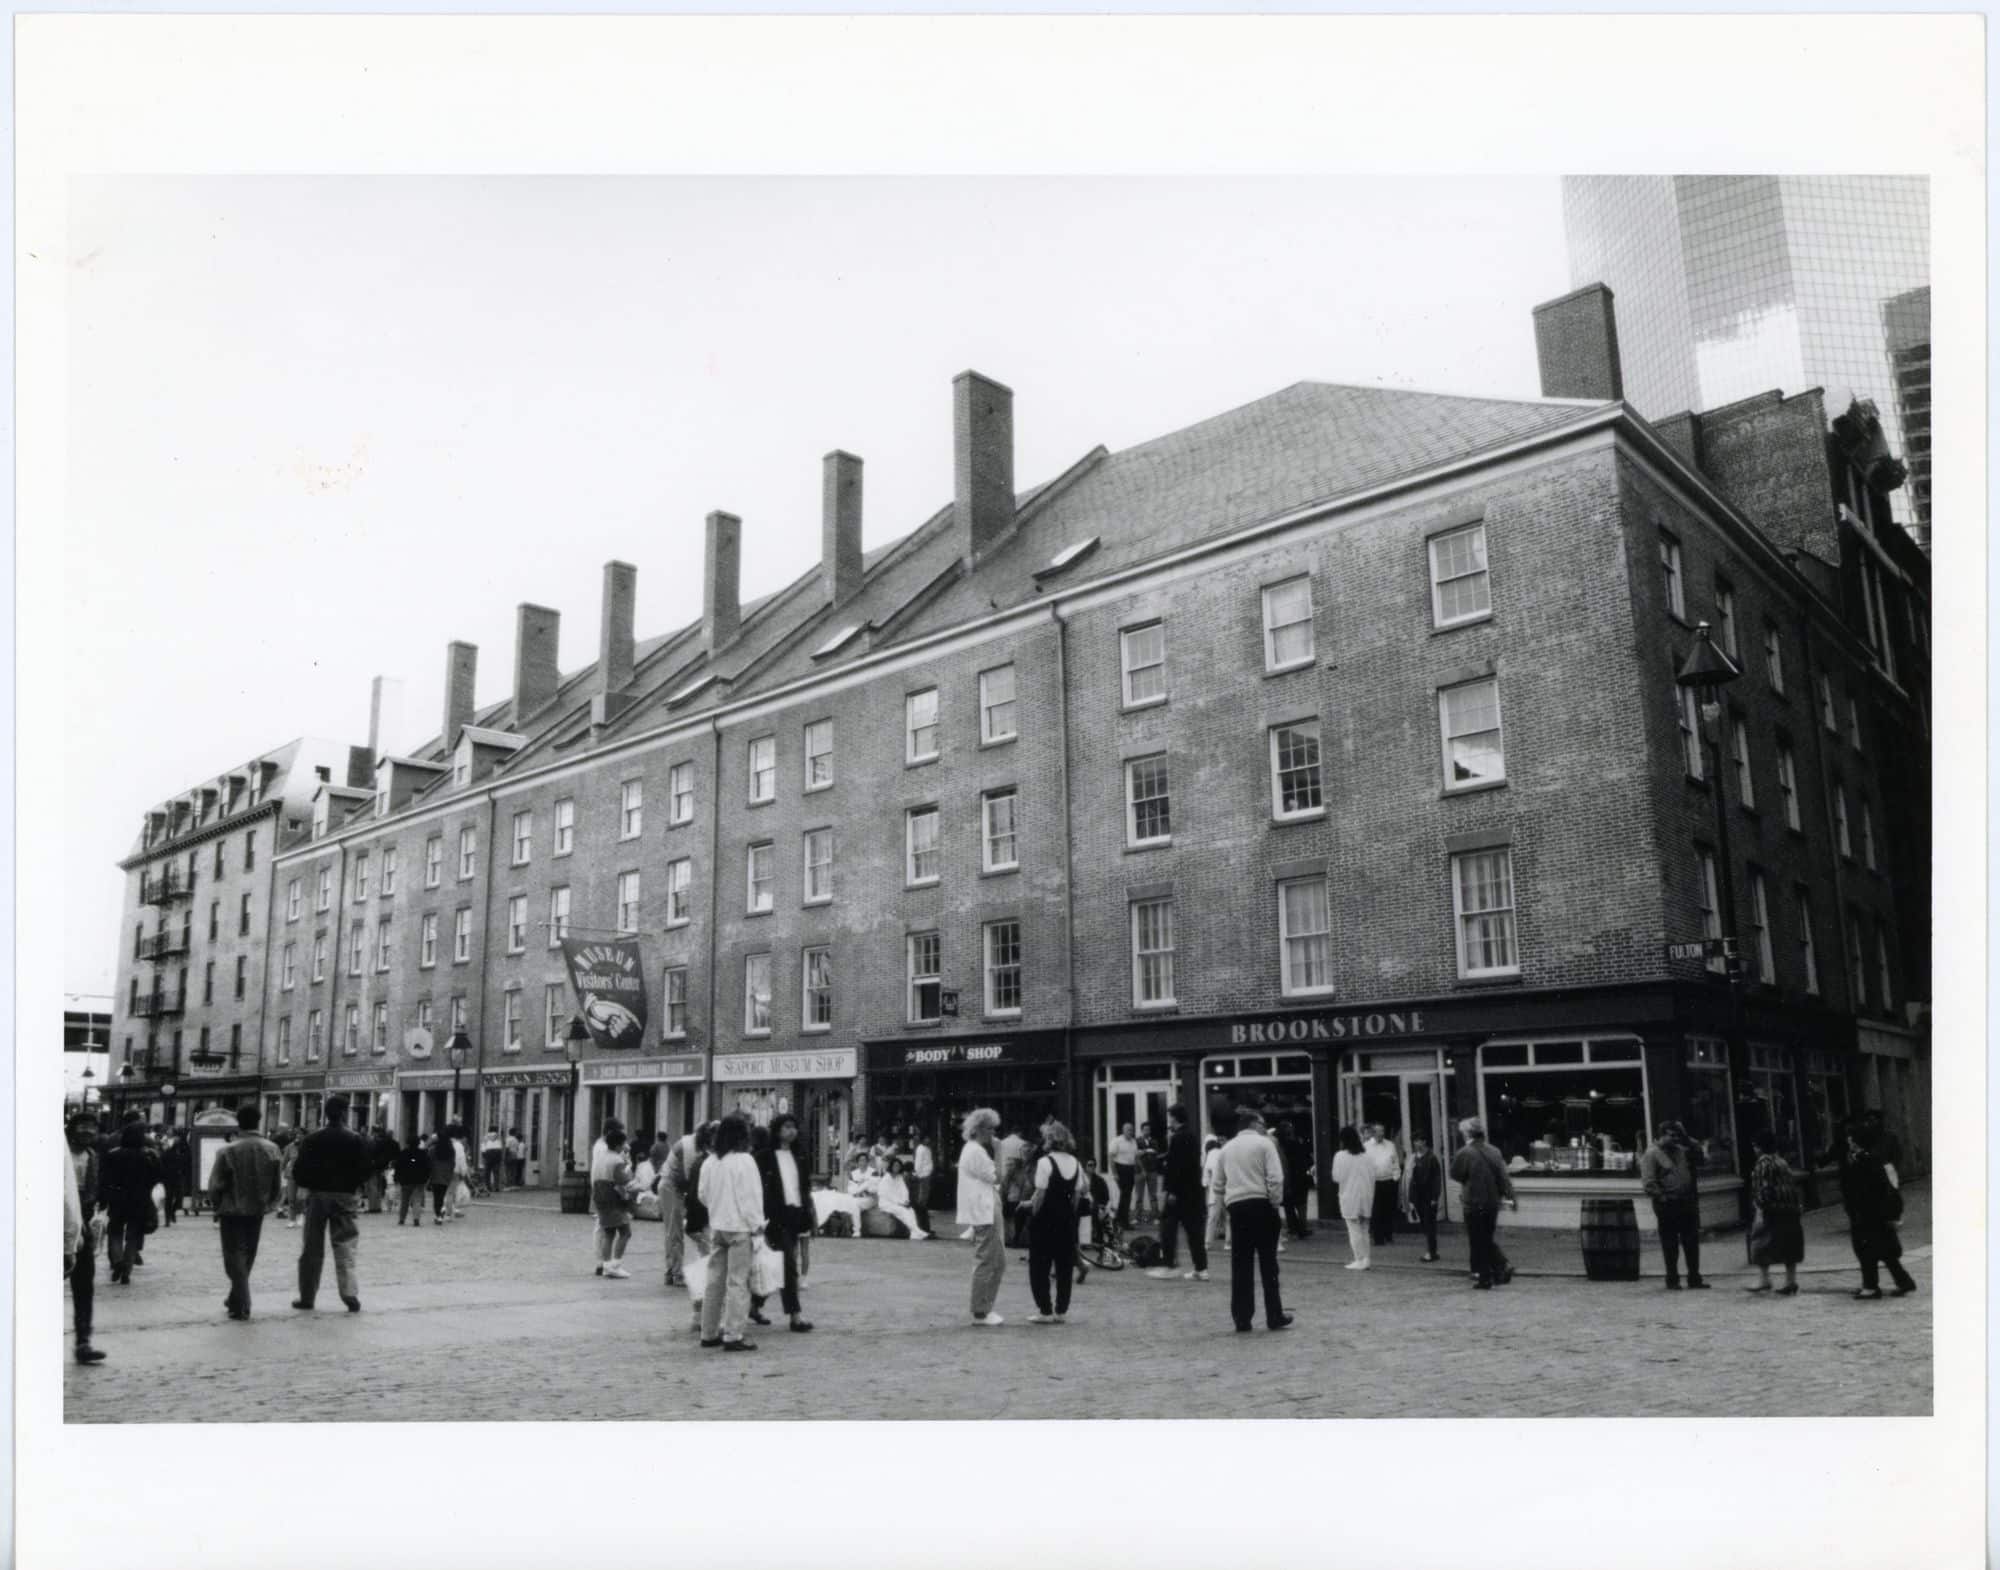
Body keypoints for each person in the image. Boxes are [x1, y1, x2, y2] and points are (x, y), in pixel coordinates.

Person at [1212, 1108, 1290, 1333]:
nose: (1265, 1128)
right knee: (1268, 1263)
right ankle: (1274, 1315)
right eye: (1263, 1124)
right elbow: (1275, 1178)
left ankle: (1242, 1318)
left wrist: (1225, 1207)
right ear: (1254, 1125)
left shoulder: (1226, 1149)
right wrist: (1275, 1204)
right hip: (1262, 1204)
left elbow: (1218, 1183)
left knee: (1241, 1265)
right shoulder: (1265, 1145)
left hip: (1237, 1208)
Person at [291, 1095, 372, 1313]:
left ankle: (307, 1296)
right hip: (345, 1196)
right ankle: (349, 1294)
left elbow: (298, 1172)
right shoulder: (355, 1139)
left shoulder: (311, 1139)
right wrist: (352, 1185)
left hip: (318, 1196)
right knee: (345, 1245)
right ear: (344, 1113)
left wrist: (311, 1184)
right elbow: (365, 1169)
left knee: (311, 1247)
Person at [208, 1102, 284, 1320]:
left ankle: (242, 1301)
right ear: (258, 1121)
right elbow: (277, 1184)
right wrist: (270, 1203)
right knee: (248, 1254)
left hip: (231, 1209)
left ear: (238, 1123)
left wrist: (216, 1204)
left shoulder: (227, 1151)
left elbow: (215, 1184)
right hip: (257, 1209)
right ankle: (236, 1297)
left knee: (233, 1255)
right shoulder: (272, 1148)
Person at [697, 1114, 765, 1351]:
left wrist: (717, 1210)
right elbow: (751, 1198)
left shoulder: (710, 1162)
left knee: (714, 1281)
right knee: (738, 1282)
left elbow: (702, 1195)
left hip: (718, 1227)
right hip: (740, 1228)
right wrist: (757, 1225)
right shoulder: (745, 1161)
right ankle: (733, 1334)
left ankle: (708, 1332)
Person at [1838, 1120, 1917, 1300]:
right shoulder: (1867, 1159)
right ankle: (1903, 1281)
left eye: (1851, 1139)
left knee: (1867, 1250)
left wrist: (1858, 1209)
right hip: (1872, 1214)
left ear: (1857, 1142)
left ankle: (1871, 1287)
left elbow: (1869, 1190)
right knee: (1885, 1251)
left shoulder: (1866, 1161)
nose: (1849, 1141)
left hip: (1868, 1214)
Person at [754, 1111, 815, 1332]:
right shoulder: (764, 1157)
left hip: (795, 1214)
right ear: (777, 1130)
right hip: (774, 1217)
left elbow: (804, 1188)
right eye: (786, 1127)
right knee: (789, 1264)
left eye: (794, 1127)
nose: (791, 1131)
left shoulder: (800, 1156)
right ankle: (795, 1316)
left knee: (777, 1264)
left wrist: (808, 1214)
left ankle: (754, 1303)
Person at [1026, 1121, 1085, 1323]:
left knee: (1039, 1266)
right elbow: (1077, 1196)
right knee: (1064, 1266)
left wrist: (1033, 1215)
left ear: (1049, 1141)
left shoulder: (1045, 1162)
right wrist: (1069, 1214)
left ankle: (1045, 1310)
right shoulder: (1076, 1163)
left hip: (1045, 1218)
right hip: (1067, 1219)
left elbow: (1040, 1195)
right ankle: (1061, 1310)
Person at [1639, 1121, 1709, 1290]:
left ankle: (1694, 1278)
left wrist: (1686, 1137)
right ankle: (1672, 1279)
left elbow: (1699, 1157)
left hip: (1686, 1201)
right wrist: (1662, 1197)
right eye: (1671, 1135)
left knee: (1691, 1241)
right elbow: (1649, 1182)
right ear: (1661, 1135)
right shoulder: (1652, 1154)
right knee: (1670, 1243)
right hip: (1668, 1203)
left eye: (1677, 1135)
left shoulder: (1680, 1150)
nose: (1675, 1138)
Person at [1449, 1117, 1517, 1289]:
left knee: (1478, 1239)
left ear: (1467, 1133)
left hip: (1473, 1201)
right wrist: (1510, 1195)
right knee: (1486, 1237)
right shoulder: (1494, 1151)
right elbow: (1503, 1176)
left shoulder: (1464, 1152)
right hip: (1492, 1202)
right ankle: (1493, 1273)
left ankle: (1495, 1269)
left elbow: (1455, 1174)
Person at [1149, 1104, 1210, 1281]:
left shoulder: (1177, 1137)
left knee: (1168, 1228)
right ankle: (1201, 1268)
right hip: (1193, 1192)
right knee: (1194, 1232)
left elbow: (1177, 1167)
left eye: (1170, 1117)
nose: (1168, 1120)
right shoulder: (1192, 1136)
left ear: (1175, 1118)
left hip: (1179, 1193)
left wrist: (1171, 1191)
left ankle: (1169, 1265)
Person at [957, 1107, 1006, 1326]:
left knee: (997, 1259)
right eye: (990, 1128)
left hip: (986, 1205)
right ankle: (980, 1310)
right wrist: (999, 1151)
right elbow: (999, 1176)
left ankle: (984, 1307)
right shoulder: (976, 1151)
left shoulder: (973, 1150)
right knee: (989, 1258)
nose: (993, 1133)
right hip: (984, 1208)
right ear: (978, 1129)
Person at [65, 1110, 107, 1364]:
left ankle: (83, 1341)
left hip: (83, 1225)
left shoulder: (93, 1156)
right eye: (83, 1126)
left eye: (92, 1127)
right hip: (57, 1223)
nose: (88, 1131)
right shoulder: (59, 1154)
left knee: (84, 1285)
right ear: (72, 1128)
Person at [1745, 1126, 1804, 1296]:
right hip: (1789, 1208)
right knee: (1789, 1244)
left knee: (1760, 1243)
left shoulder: (1763, 1164)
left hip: (1772, 1210)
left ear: (1759, 1147)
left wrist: (1760, 1209)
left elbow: (1764, 1189)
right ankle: (1790, 1280)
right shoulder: (1782, 1161)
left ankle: (1764, 1279)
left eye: (1755, 1146)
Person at [100, 1122, 157, 1286]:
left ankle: (117, 1261)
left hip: (117, 1198)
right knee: (133, 1235)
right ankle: (127, 1270)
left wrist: (104, 1198)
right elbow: (157, 1176)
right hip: (140, 1199)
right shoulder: (148, 1155)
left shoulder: (113, 1154)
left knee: (115, 1231)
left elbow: (104, 1178)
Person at [590, 1126, 635, 1279]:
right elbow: (624, 1181)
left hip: (599, 1196)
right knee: (625, 1232)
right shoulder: (617, 1160)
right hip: (612, 1198)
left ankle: (606, 1265)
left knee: (608, 1232)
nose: (625, 1146)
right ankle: (616, 1265)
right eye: (623, 1143)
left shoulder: (601, 1157)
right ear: (617, 1145)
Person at [1331, 1124, 1375, 1270]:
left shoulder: (1340, 1156)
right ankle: (1366, 1259)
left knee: (1354, 1230)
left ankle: (1359, 1259)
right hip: (1366, 1195)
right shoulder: (1367, 1155)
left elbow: (1336, 1177)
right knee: (1364, 1229)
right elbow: (1372, 1176)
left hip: (1349, 1196)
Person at [1405, 1134, 1443, 1262]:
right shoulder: (1414, 1158)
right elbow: (1410, 1179)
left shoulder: (1431, 1158)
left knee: (1429, 1224)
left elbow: (1437, 1179)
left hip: (1428, 1195)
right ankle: (1432, 1250)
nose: (1417, 1144)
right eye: (1415, 1141)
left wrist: (1435, 1196)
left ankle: (1431, 1252)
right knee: (1424, 1224)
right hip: (1418, 1196)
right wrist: (1411, 1198)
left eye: (1419, 1141)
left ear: (1424, 1141)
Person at [874, 1158, 930, 1240]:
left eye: (898, 1166)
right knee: (902, 1211)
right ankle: (917, 1231)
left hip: (899, 1203)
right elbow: (887, 1194)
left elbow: (904, 1191)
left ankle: (913, 1234)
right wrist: (900, 1203)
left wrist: (905, 1201)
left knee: (910, 1210)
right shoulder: (886, 1178)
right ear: (891, 1167)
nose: (896, 1167)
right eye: (895, 1166)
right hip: (886, 1203)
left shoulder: (899, 1177)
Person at [1363, 1124, 1401, 1246]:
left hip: (1389, 1180)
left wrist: (1396, 1176)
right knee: (1376, 1210)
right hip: (1374, 1182)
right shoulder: (1366, 1147)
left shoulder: (1390, 1145)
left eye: (1383, 1132)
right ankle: (1378, 1238)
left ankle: (1388, 1234)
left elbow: (1395, 1161)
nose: (1381, 1134)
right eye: (1379, 1132)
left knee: (1388, 1209)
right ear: (1373, 1133)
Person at [1275, 1120, 1313, 1240]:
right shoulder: (1298, 1143)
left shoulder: (1280, 1146)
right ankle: (1302, 1228)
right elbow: (1307, 1159)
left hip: (1288, 1177)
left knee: (1288, 1205)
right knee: (1301, 1204)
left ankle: (1294, 1228)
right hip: (1301, 1177)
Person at [394, 1130, 431, 1225]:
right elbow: (427, 1167)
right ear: (418, 1143)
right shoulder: (423, 1154)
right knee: (417, 1200)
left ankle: (402, 1219)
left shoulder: (403, 1153)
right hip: (419, 1181)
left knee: (404, 1201)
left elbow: (398, 1167)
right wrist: (426, 1178)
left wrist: (397, 1178)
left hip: (405, 1181)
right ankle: (416, 1219)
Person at [1109, 1122, 1139, 1232]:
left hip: (1130, 1170)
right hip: (1120, 1169)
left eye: (1132, 1130)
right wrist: (1115, 1173)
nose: (1130, 1132)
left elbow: (1135, 1158)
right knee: (1125, 1195)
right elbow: (1111, 1158)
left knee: (1127, 1195)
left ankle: (1119, 1220)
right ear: (1123, 1130)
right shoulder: (1117, 1141)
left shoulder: (1133, 1142)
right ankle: (1123, 1221)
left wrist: (1136, 1171)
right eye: (1128, 1130)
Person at [1201, 1136, 1228, 1251]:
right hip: (1228, 1187)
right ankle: (1228, 1243)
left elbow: (1206, 1174)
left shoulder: (1211, 1154)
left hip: (1215, 1189)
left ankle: (1207, 1242)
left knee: (1212, 1217)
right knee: (1228, 1217)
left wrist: (1206, 1184)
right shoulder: (1224, 1152)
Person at [366, 1123, 399, 1213]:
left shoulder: (372, 1141)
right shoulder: (383, 1141)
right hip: (382, 1166)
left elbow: (370, 1153)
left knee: (372, 1186)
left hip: (373, 1166)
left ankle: (373, 1207)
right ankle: (378, 1206)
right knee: (379, 1186)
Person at [427, 1126, 457, 1222]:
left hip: (435, 1175)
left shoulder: (433, 1150)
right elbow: (453, 1163)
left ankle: (438, 1215)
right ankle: (441, 1209)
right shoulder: (451, 1150)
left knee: (437, 1197)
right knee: (442, 1194)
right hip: (446, 1176)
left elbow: (429, 1162)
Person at [1135, 1126, 1162, 1226]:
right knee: (1139, 1196)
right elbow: (1136, 1154)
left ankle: (1155, 1216)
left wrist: (1144, 1152)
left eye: (1149, 1129)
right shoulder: (1137, 1141)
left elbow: (1156, 1153)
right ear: (1142, 1130)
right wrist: (1147, 1151)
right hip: (1139, 1171)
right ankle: (1138, 1217)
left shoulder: (1154, 1141)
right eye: (1145, 1130)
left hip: (1152, 1170)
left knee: (1153, 1195)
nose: (1147, 1131)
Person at [910, 1131, 935, 1236]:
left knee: (924, 1197)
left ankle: (922, 1222)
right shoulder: (920, 1149)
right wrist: (918, 1174)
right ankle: (920, 1222)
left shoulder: (927, 1148)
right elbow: (918, 1163)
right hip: (923, 1175)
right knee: (922, 1199)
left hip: (927, 1174)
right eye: (926, 1138)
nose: (928, 1140)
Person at [278, 1128, 303, 1226]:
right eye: (296, 1135)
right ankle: (292, 1219)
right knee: (291, 1197)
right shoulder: (289, 1147)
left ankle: (301, 1215)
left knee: (300, 1197)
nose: (298, 1137)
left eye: (300, 1134)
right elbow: (284, 1161)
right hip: (291, 1174)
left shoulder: (307, 1146)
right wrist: (280, 1172)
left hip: (303, 1175)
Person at [481, 1127, 505, 1194]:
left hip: (488, 1153)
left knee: (487, 1172)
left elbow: (483, 1146)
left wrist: (483, 1155)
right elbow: (502, 1146)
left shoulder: (485, 1137)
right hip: (497, 1153)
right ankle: (496, 1187)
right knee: (496, 1172)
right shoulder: (499, 1136)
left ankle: (488, 1186)